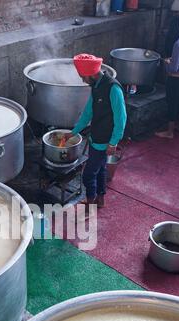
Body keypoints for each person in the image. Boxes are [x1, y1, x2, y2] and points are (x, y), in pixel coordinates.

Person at [66, 53, 127, 209]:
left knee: (88, 174)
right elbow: (87, 113)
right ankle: (100, 200)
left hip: (106, 141)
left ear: (91, 74)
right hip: (95, 138)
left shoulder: (113, 88)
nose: (82, 80)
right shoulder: (96, 86)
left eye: (83, 77)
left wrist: (113, 142)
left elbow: (121, 119)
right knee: (100, 170)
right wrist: (74, 132)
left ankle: (91, 202)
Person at [156, 12, 179, 138]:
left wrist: (167, 62)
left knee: (172, 103)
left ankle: (170, 132)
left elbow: (173, 68)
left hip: (175, 79)